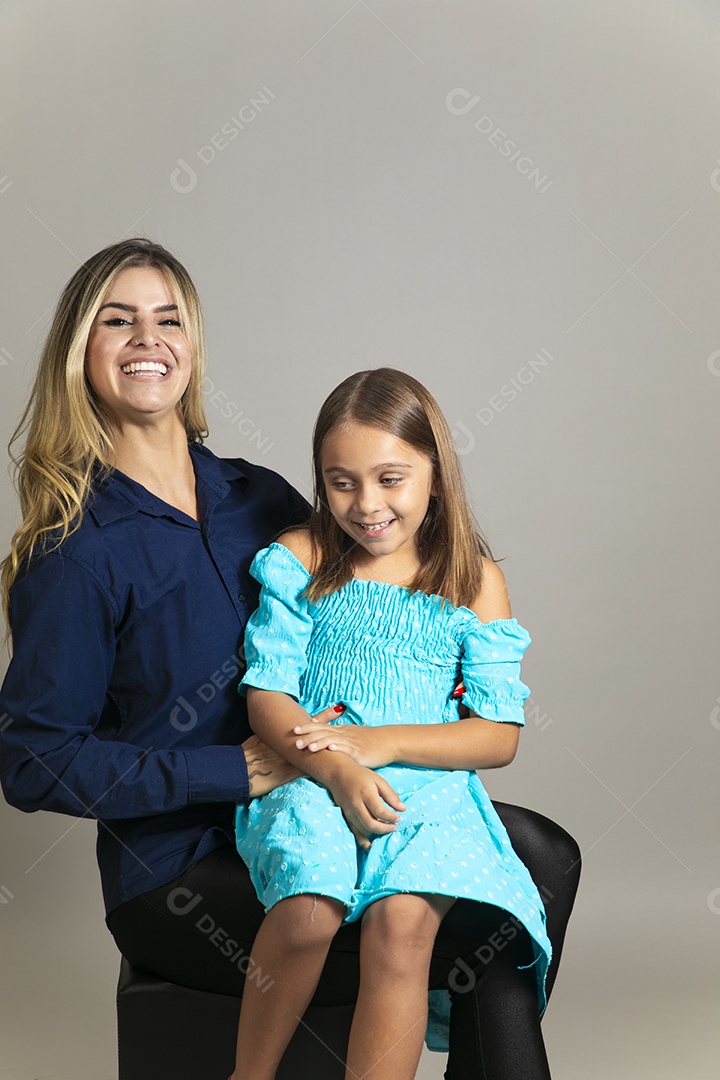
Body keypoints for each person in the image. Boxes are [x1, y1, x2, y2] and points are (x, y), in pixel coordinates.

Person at [0, 239, 579, 1080]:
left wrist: (429, 698)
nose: (146, 339)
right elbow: (31, 762)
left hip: (327, 791)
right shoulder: (77, 553)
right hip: (183, 869)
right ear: (77, 351)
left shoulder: (257, 498)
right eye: (115, 321)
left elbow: (377, 583)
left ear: (193, 346)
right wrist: (230, 770)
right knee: (472, 917)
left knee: (542, 857)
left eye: (168, 319)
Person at [233, 369, 553, 1080]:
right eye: (341, 481)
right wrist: (340, 767)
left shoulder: (472, 578)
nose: (367, 504)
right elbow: (268, 698)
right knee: (311, 906)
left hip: (427, 792)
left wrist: (384, 744)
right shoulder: (301, 557)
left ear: (435, 477)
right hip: (313, 775)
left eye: (390, 479)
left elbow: (497, 735)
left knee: (403, 927)